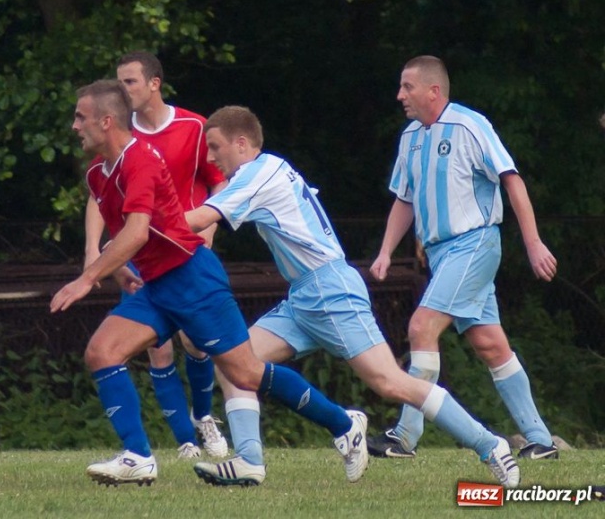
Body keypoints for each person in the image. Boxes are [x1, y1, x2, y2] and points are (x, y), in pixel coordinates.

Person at [184, 105, 520, 488]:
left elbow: (198, 220)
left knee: (390, 382)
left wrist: (144, 222)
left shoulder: (256, 174)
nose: (211, 157)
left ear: (242, 144)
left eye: (216, 147)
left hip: (331, 291)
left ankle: (489, 444)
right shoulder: (265, 169)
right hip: (305, 294)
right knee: (236, 364)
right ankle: (250, 460)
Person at [52, 80, 368, 487]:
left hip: (192, 278)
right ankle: (138, 457)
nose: (75, 126)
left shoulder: (141, 160)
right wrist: (118, 269)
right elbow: (127, 233)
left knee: (247, 374)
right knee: (102, 352)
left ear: (107, 121)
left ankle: (344, 425)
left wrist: (88, 277)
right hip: (156, 284)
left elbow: (137, 232)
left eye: (81, 117)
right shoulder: (98, 173)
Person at [366, 55, 559, 460]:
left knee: (421, 327)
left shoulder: (470, 125)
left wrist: (533, 242)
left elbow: (512, 180)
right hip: (442, 255)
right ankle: (541, 440)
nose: (400, 95)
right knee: (490, 345)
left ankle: (404, 437)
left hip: (474, 244)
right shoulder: (410, 136)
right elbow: (405, 199)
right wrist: (385, 251)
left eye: (407, 87)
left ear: (433, 91)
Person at [84, 51, 228, 459]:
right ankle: (185, 441)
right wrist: (92, 250)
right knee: (157, 349)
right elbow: (99, 195)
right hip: (138, 252)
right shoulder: (119, 134)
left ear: (154, 84)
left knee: (196, 343)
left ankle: (204, 418)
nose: (122, 89)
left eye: (129, 81)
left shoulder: (193, 127)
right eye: (118, 82)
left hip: (185, 251)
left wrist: (208, 231)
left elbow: (219, 183)